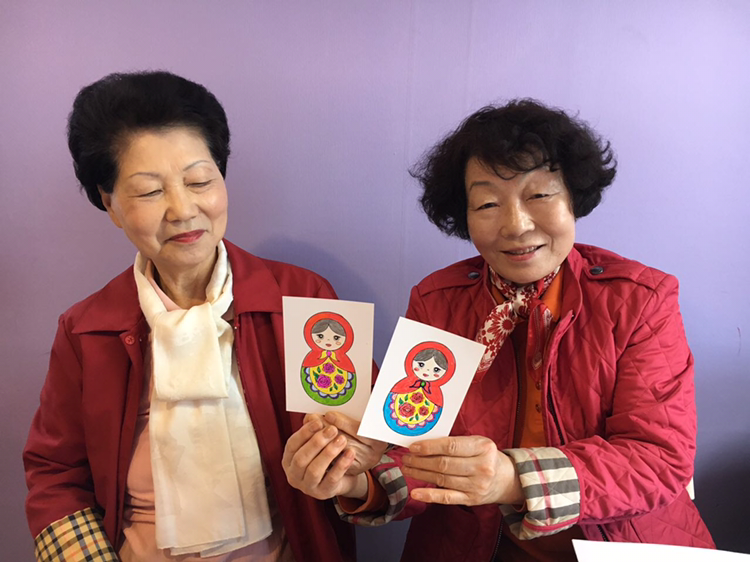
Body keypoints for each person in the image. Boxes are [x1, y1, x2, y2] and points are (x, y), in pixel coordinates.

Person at [283, 100, 715, 561]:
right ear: (464, 214)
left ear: (573, 197)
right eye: (488, 203)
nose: (516, 225)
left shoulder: (639, 299)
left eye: (540, 195)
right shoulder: (438, 301)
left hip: (623, 545)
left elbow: (657, 459)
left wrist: (511, 478)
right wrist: (356, 481)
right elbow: (417, 446)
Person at [23, 71, 355, 562]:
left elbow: (366, 442)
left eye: (199, 181)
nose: (182, 209)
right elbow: (55, 473)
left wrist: (348, 474)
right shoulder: (86, 330)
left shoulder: (304, 300)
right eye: (149, 191)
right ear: (110, 203)